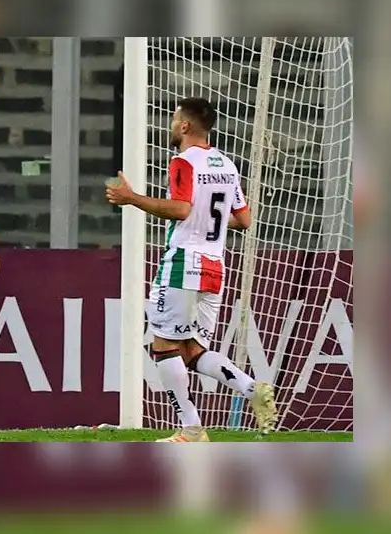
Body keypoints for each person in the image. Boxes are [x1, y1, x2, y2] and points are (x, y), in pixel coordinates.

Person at [106, 97, 277, 442]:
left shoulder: (183, 162)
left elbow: (182, 210)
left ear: (184, 126)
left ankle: (190, 429)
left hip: (184, 261)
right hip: (215, 266)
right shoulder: (227, 165)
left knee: (164, 347)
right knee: (193, 351)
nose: (171, 126)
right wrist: (205, 219)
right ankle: (251, 388)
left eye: (174, 120)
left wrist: (133, 198)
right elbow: (244, 220)